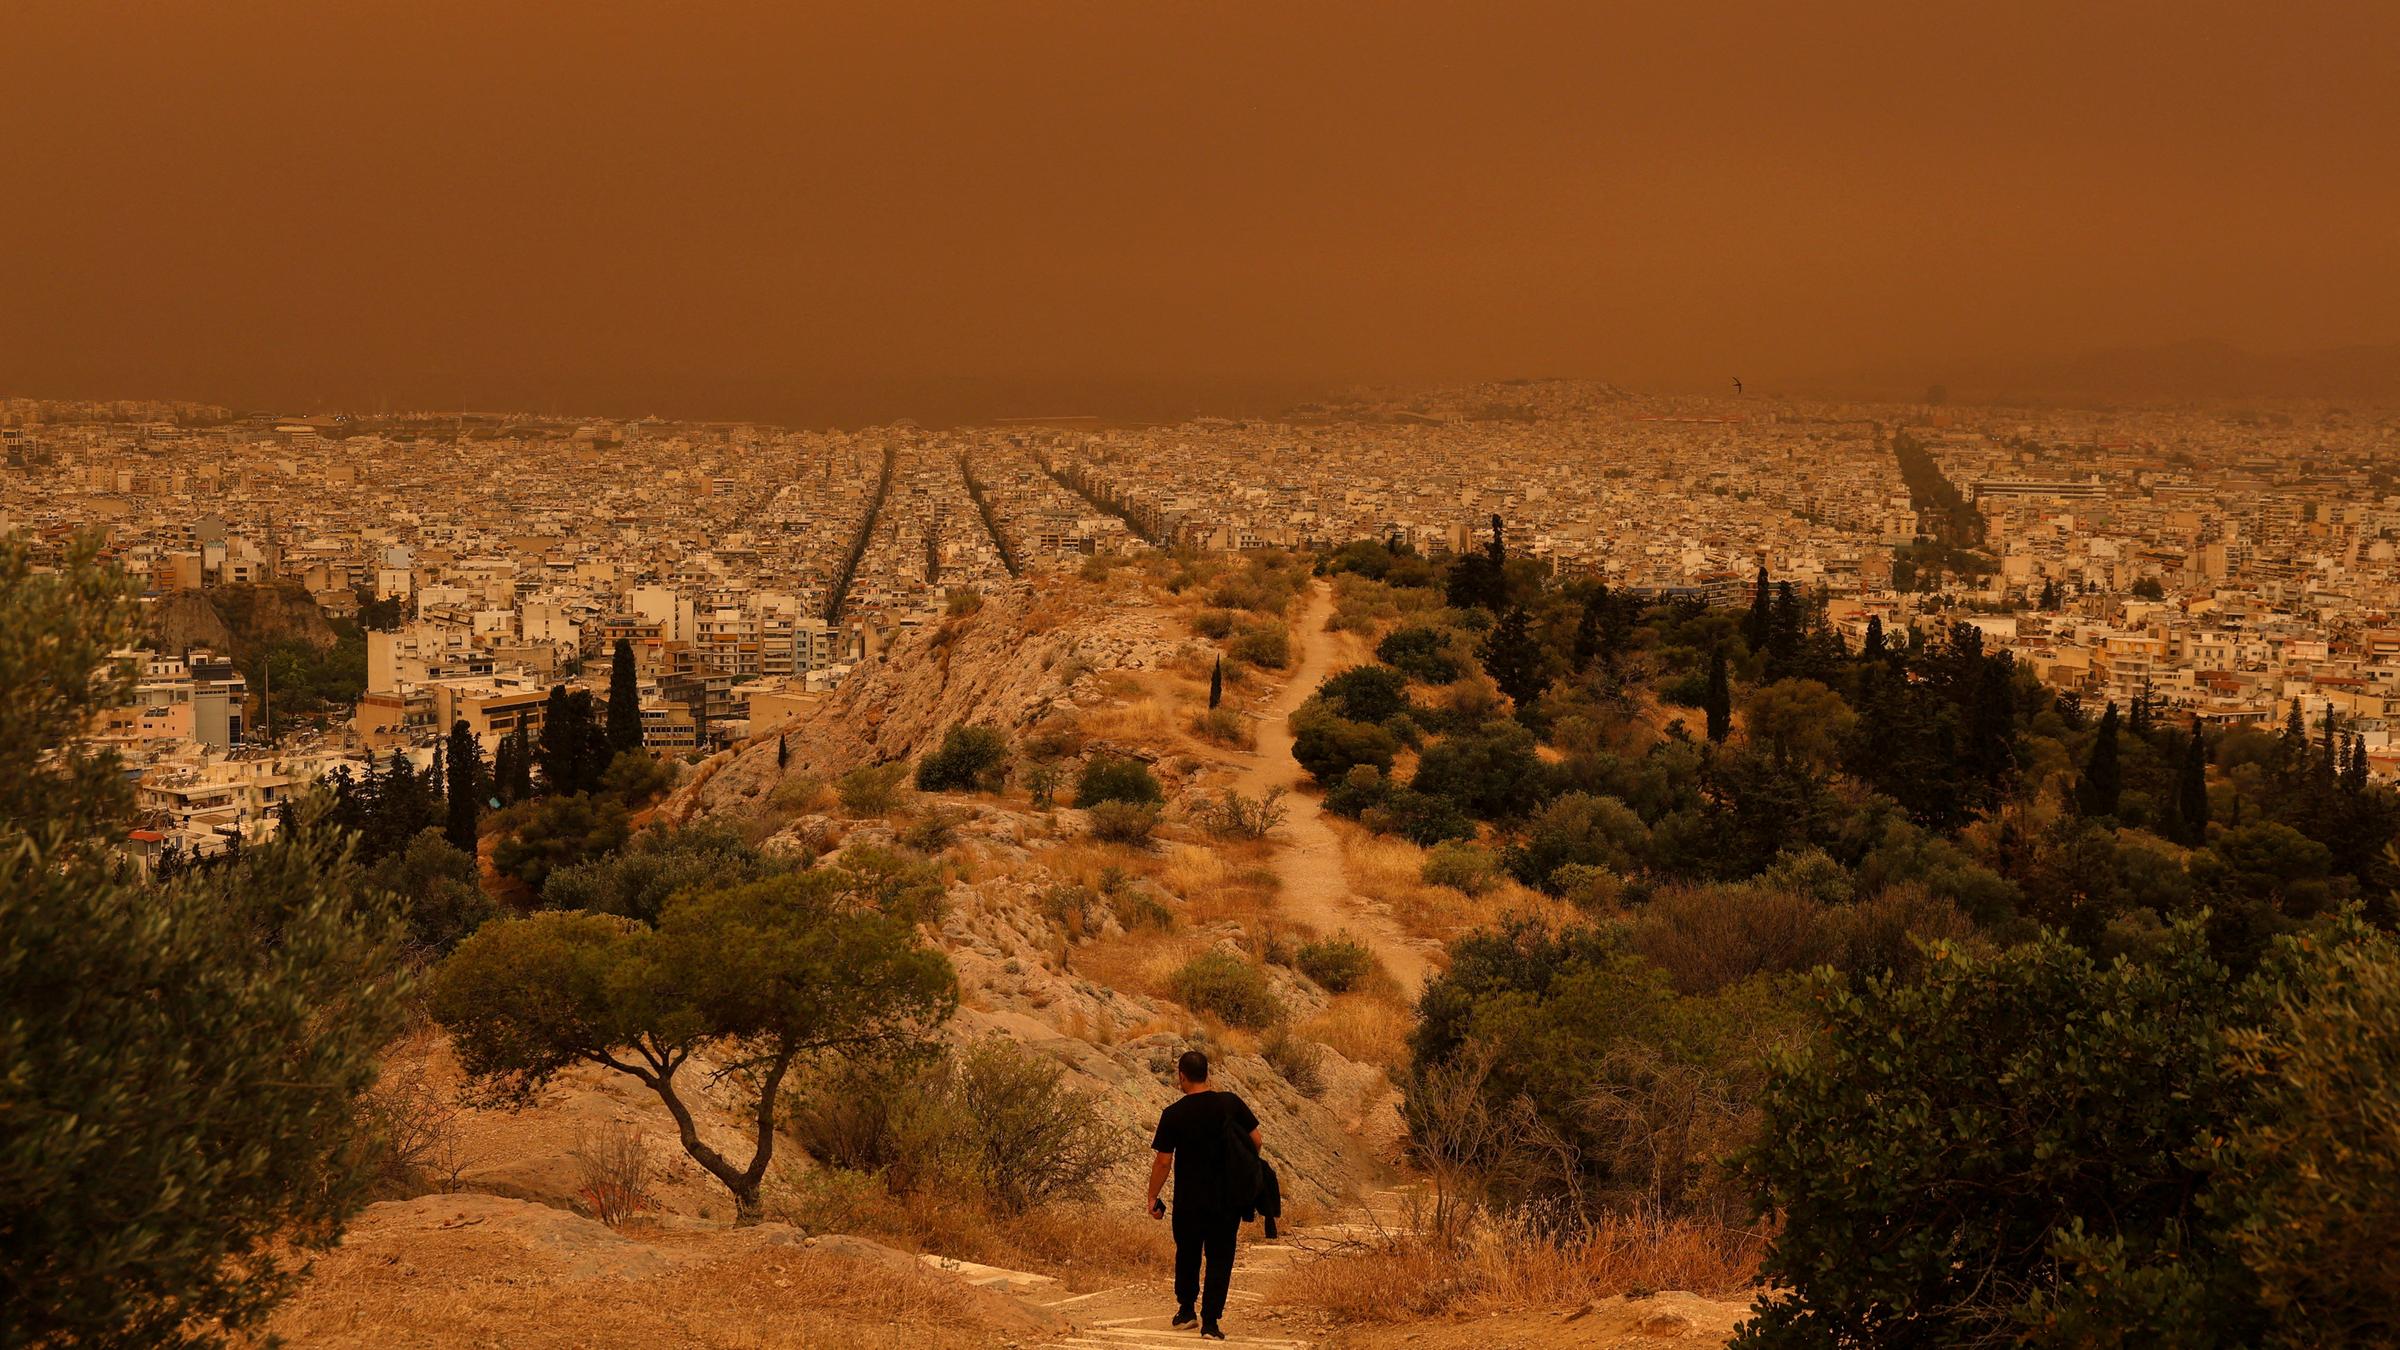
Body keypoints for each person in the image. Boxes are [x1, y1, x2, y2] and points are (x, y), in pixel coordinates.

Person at [1146, 1049, 1261, 1340]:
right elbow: (1256, 1139)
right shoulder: (1230, 1103)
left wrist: (1152, 1197)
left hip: (1189, 1200)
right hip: (1226, 1199)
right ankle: (1211, 1322)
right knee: (1220, 1257)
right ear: (1207, 1073)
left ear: (1182, 1076)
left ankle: (1186, 1311)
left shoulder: (1173, 1114)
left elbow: (1163, 1161)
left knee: (1188, 1253)